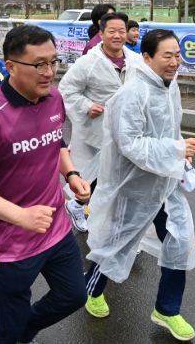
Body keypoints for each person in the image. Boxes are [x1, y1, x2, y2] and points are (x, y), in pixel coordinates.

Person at [0, 25, 90, 344]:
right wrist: (19, 216)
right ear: (10, 66)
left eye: (54, 62)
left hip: (55, 227)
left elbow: (56, 143)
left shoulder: (54, 98)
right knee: (9, 326)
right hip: (9, 243)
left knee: (73, 296)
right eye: (39, 64)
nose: (49, 72)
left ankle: (18, 332)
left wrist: (71, 174)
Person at [84, 29, 195, 342]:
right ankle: (90, 290)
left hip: (165, 183)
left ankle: (167, 309)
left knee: (180, 241)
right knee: (117, 244)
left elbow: (167, 129)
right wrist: (176, 149)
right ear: (147, 57)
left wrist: (178, 156)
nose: (175, 62)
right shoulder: (131, 94)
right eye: (167, 55)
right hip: (132, 186)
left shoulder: (169, 87)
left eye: (178, 55)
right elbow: (130, 144)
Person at [58, 13, 142, 232]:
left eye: (121, 31)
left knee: (121, 180)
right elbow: (66, 91)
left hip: (127, 132)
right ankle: (86, 212)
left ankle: (115, 229)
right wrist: (86, 105)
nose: (117, 35)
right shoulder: (88, 63)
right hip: (96, 133)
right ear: (101, 34)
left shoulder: (136, 61)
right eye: (111, 31)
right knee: (95, 179)